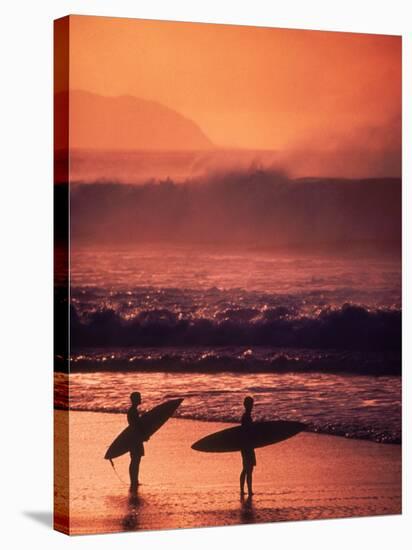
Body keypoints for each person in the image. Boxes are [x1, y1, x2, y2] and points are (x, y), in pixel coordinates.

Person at [127, 391, 145, 492]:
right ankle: (133, 481)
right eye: (139, 397)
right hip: (135, 438)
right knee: (135, 460)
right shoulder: (133, 411)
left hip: (134, 437)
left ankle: (134, 480)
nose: (140, 399)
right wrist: (143, 435)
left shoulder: (133, 411)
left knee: (135, 460)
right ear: (135, 399)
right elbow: (136, 426)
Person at [240, 396, 256, 497]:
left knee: (247, 468)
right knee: (248, 469)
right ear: (247, 405)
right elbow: (247, 432)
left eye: (252, 404)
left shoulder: (246, 416)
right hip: (247, 446)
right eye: (251, 404)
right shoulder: (246, 417)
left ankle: (244, 490)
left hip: (246, 445)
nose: (252, 406)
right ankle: (248, 490)